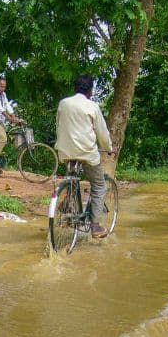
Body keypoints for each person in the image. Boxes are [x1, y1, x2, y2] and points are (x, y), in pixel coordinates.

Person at [55, 74, 114, 239]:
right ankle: (95, 226)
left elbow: (59, 126)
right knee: (99, 184)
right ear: (90, 91)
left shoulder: (63, 104)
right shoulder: (92, 106)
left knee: (72, 177)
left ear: (75, 88)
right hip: (86, 153)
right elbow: (102, 133)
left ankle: (67, 202)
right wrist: (109, 148)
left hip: (65, 151)